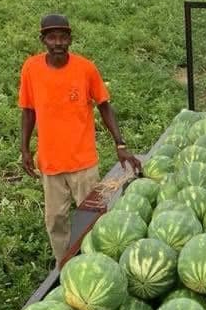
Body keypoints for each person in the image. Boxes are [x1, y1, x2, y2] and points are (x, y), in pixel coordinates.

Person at [19, 13, 141, 265]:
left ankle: (98, 262)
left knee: (93, 217)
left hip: (84, 163)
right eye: (52, 37)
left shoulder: (85, 68)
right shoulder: (31, 68)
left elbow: (104, 105)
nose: (58, 42)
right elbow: (28, 110)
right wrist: (25, 149)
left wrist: (120, 144)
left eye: (63, 37)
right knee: (55, 220)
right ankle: (64, 266)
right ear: (43, 40)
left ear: (70, 39)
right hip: (50, 163)